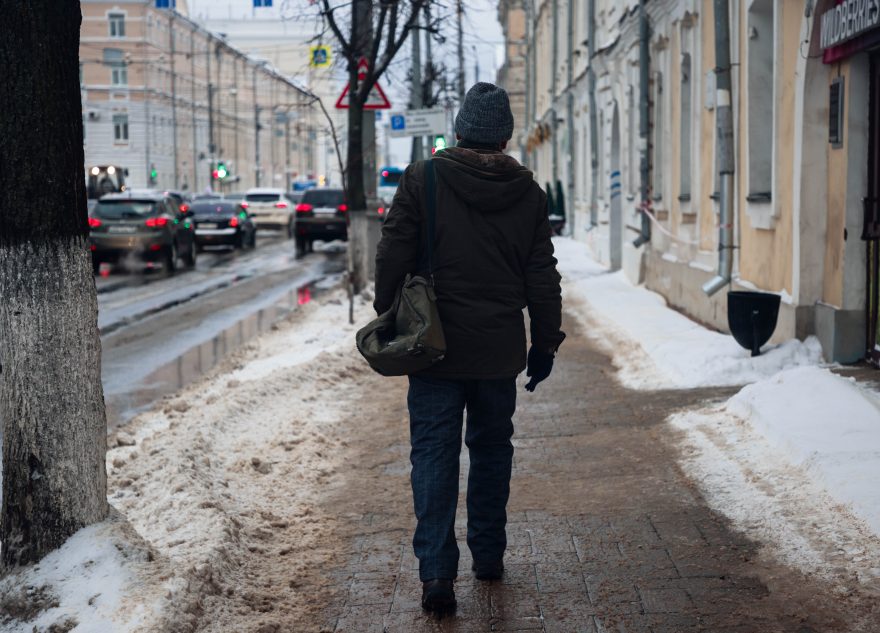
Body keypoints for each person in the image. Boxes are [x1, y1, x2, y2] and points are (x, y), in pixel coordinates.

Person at [374, 82, 565, 616]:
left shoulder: (425, 178)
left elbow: (394, 248)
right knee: (492, 449)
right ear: (504, 136)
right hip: (499, 349)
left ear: (459, 131)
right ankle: (489, 555)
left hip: (433, 344)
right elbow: (541, 274)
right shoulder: (528, 193)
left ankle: (437, 573)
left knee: (433, 452)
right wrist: (545, 341)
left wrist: (385, 306)